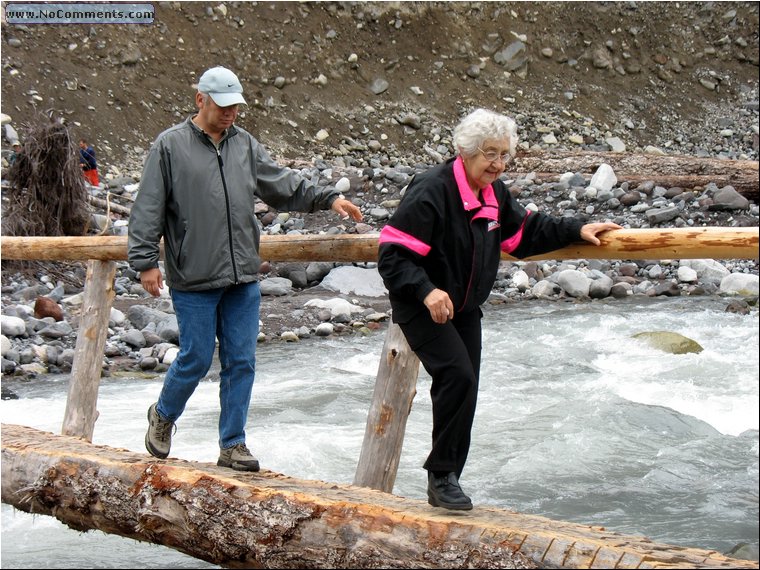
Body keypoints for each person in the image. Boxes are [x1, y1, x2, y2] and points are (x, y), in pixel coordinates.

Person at [377, 108, 621, 510]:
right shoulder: (432, 190)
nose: (498, 164)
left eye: (504, 155)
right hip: (422, 303)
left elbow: (525, 233)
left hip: (465, 305)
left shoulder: (493, 194)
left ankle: (449, 476)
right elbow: (392, 255)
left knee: (467, 383)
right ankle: (440, 478)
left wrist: (577, 228)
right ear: (465, 152)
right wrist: (426, 290)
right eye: (490, 154)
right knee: (455, 373)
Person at [128, 66, 362, 471]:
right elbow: (147, 206)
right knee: (197, 358)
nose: (231, 113)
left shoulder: (245, 145)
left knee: (242, 360)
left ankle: (232, 443)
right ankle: (163, 415)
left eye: (236, 106)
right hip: (194, 276)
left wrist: (328, 198)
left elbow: (283, 184)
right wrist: (146, 261)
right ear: (200, 99)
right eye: (223, 105)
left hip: (242, 277)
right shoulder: (169, 146)